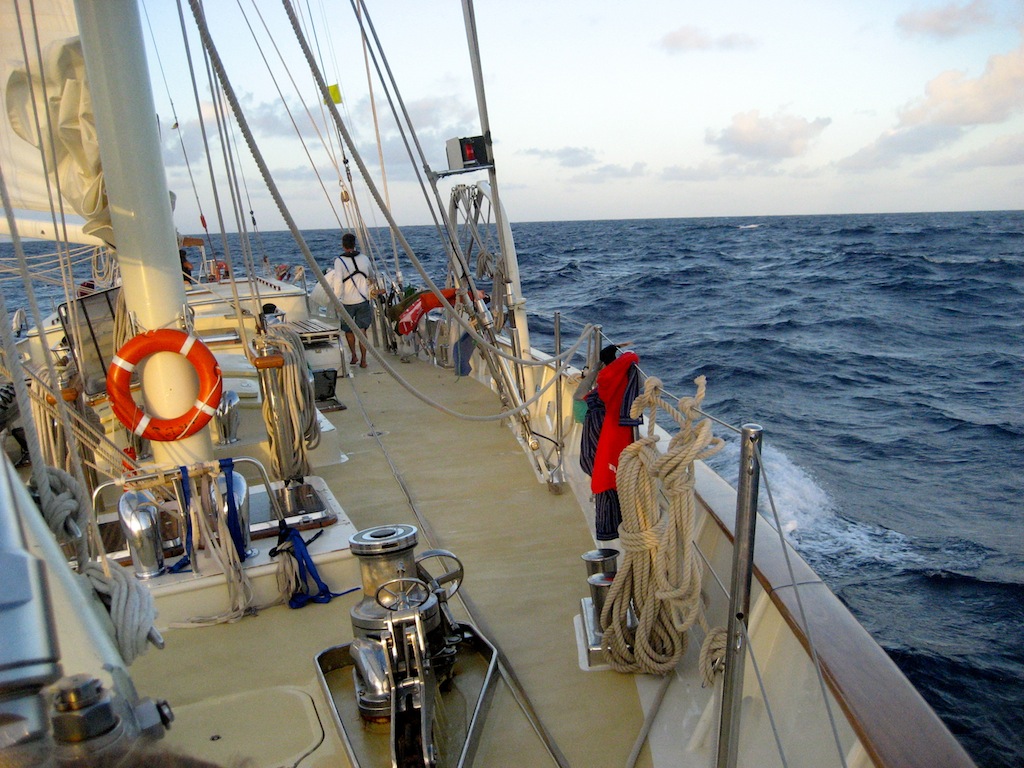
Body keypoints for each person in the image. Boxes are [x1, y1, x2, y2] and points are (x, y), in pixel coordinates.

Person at [333, 232, 373, 368]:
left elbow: (338, 282)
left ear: (343, 245)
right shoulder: (364, 258)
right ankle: (364, 360)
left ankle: (354, 356)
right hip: (363, 300)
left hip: (347, 302)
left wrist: (336, 299)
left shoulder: (339, 261)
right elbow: (371, 275)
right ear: (354, 244)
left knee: (348, 330)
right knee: (362, 331)